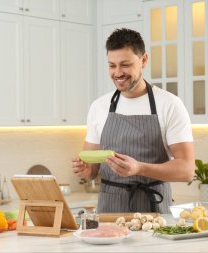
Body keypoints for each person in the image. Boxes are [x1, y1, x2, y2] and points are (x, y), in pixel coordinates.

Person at [72, 28, 195, 213]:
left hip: (153, 210)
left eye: (125, 65)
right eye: (112, 65)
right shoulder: (99, 106)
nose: (118, 73)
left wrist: (139, 168)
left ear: (144, 60)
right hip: (109, 212)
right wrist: (84, 170)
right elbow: (91, 170)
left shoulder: (169, 104)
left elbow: (186, 170)